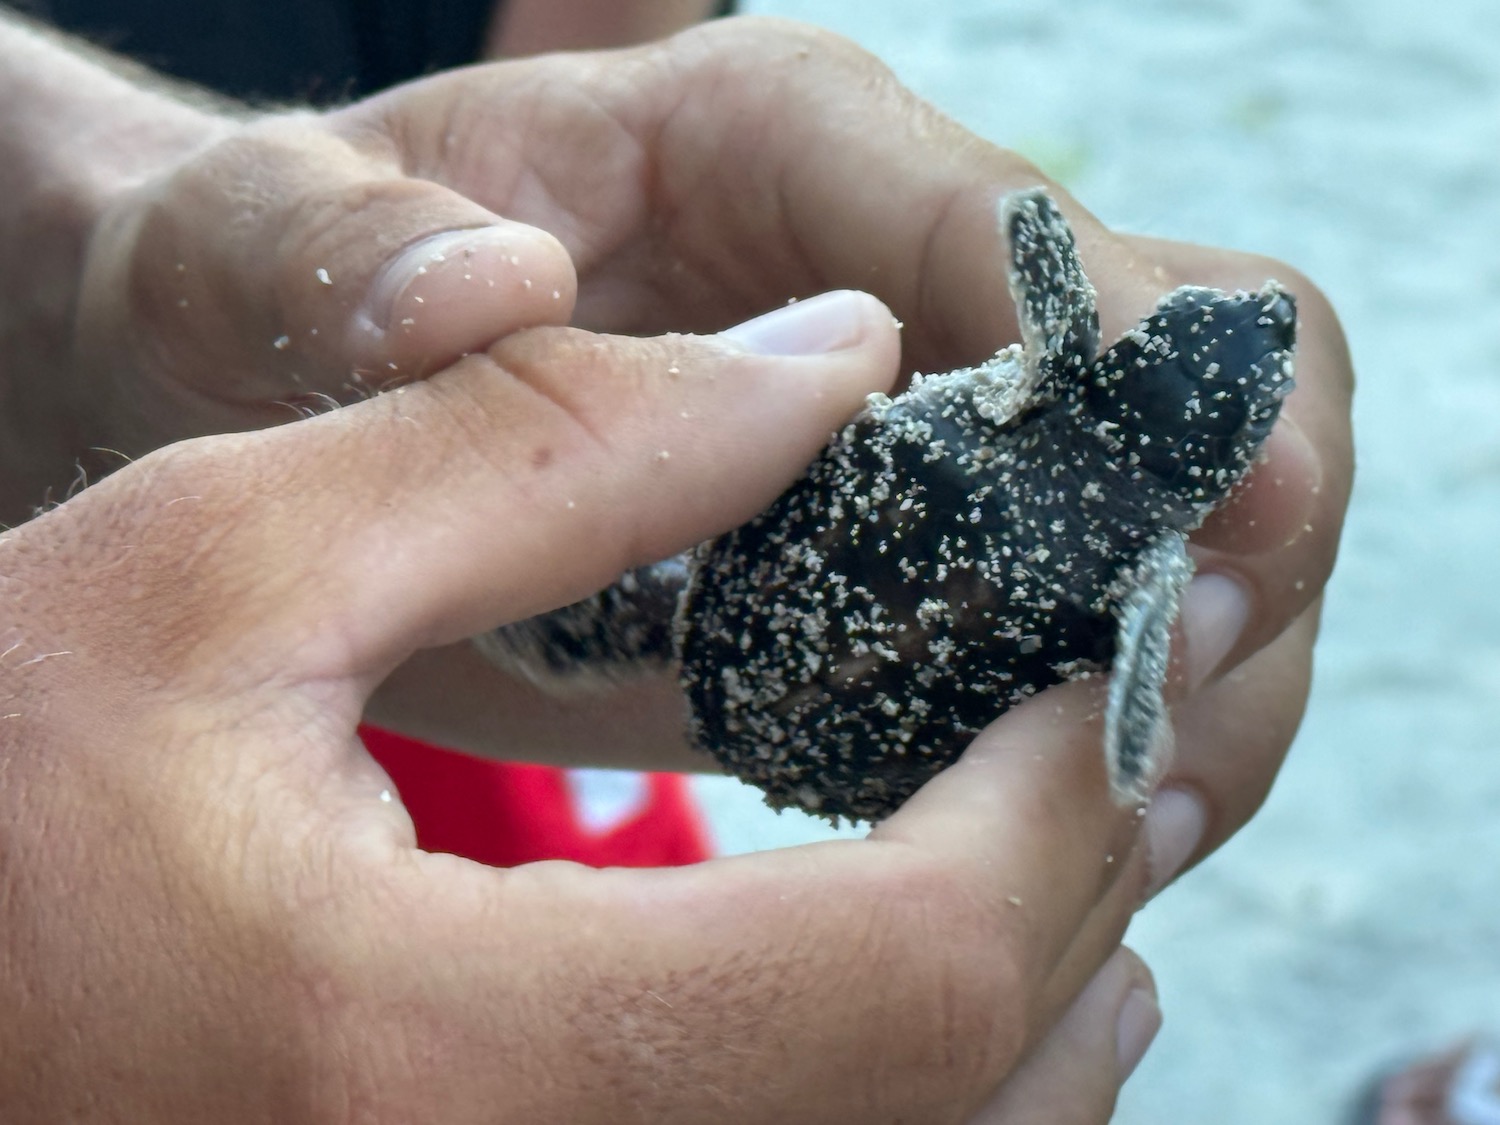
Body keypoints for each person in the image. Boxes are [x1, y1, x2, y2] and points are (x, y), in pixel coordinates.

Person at [0, 6, 1354, 1121]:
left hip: (721, 602)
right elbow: (1130, 724)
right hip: (781, 692)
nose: (1251, 319)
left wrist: (81, 279)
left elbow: (1036, 256)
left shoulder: (1071, 384)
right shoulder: (1154, 562)